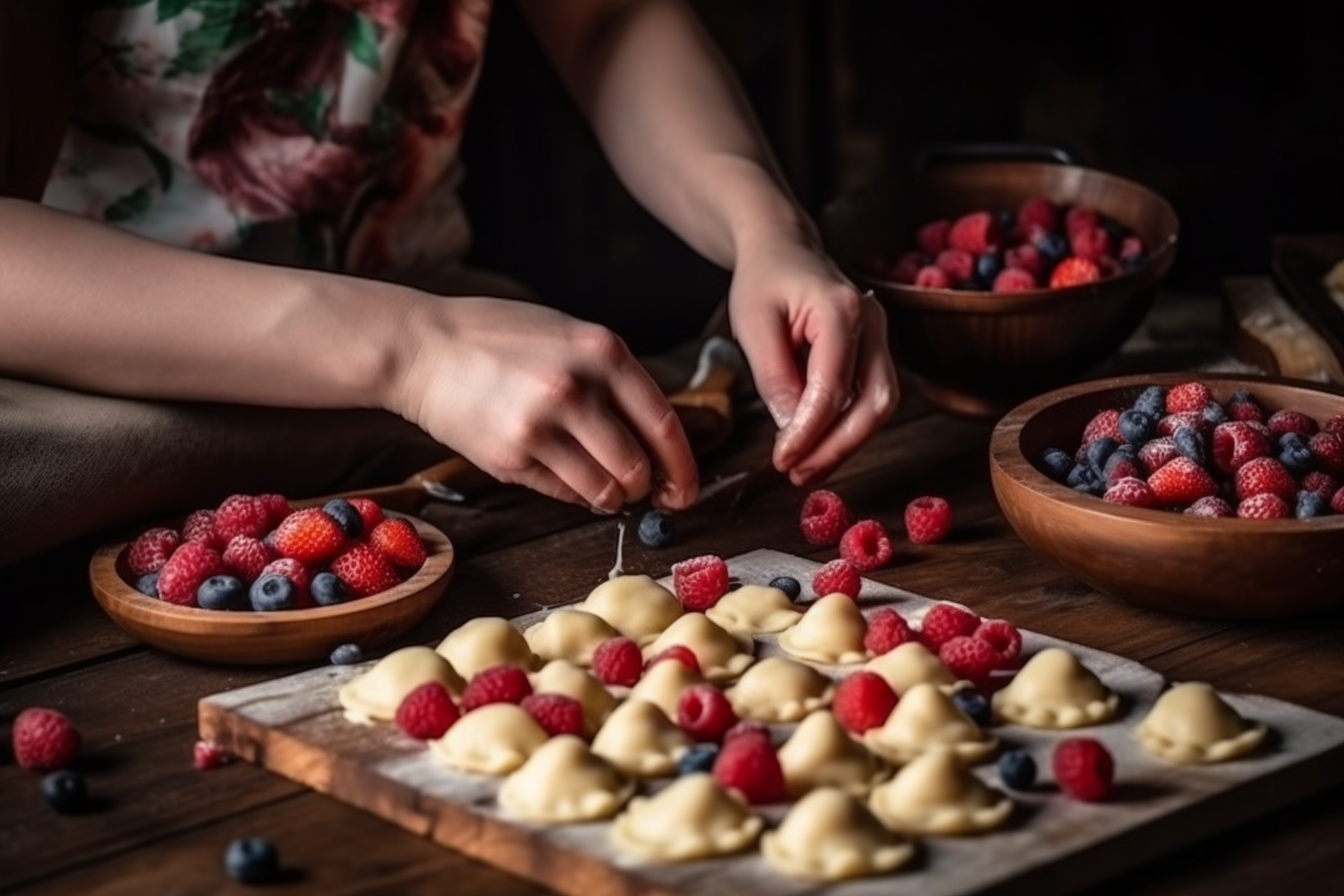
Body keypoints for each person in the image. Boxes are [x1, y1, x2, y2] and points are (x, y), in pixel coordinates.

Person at [0, 0, 897, 566]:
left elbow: (609, 20)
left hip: (453, 334)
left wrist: (766, 229)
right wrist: (412, 351)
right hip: (97, 375)